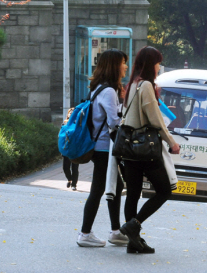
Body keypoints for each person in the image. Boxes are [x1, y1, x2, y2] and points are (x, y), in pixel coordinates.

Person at [119, 46, 180, 254]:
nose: (159, 66)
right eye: (157, 62)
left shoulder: (133, 84)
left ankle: (132, 242)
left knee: (133, 194)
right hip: (145, 148)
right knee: (164, 190)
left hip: (129, 149)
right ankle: (133, 225)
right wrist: (171, 142)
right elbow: (155, 120)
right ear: (150, 64)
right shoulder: (145, 86)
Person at [77, 49, 130, 247]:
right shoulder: (108, 91)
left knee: (114, 187)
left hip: (101, 147)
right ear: (114, 65)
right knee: (99, 189)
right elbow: (114, 122)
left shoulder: (98, 88)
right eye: (123, 62)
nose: (125, 66)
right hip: (103, 148)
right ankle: (85, 233)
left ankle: (115, 231)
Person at [61, 107, 79, 191]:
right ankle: (69, 179)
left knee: (75, 167)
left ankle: (74, 184)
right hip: (66, 148)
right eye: (70, 112)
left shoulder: (78, 123)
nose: (71, 114)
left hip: (75, 149)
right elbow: (61, 137)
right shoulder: (64, 124)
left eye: (73, 113)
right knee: (65, 167)